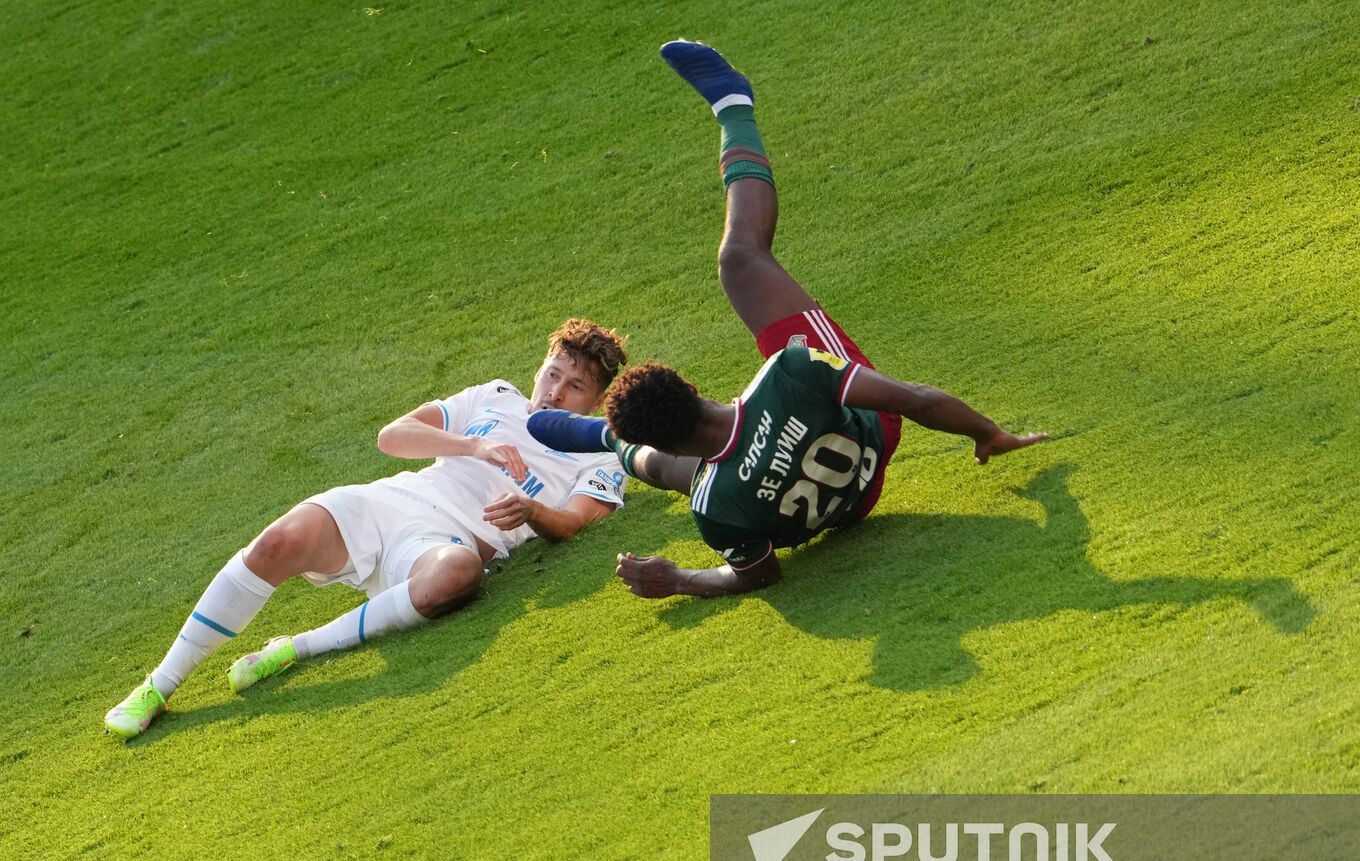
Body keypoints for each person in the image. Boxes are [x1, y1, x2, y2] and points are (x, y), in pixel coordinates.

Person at [527, 42, 1045, 599]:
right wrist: (988, 433)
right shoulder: (788, 374)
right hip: (877, 432)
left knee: (680, 476)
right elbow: (914, 400)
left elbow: (759, 574)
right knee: (740, 261)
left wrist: (678, 577)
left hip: (844, 514)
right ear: (690, 384)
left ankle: (611, 437)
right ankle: (732, 105)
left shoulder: (713, 505)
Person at [104, 319, 629, 739]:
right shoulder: (494, 396)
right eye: (552, 373)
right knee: (276, 542)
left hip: (444, 543)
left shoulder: (599, 455)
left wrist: (533, 512)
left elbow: (577, 523)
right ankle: (159, 686)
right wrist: (474, 445)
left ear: (597, 400)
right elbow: (392, 437)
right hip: (388, 503)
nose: (555, 391)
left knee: (459, 573)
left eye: (576, 384)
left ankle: (294, 648)